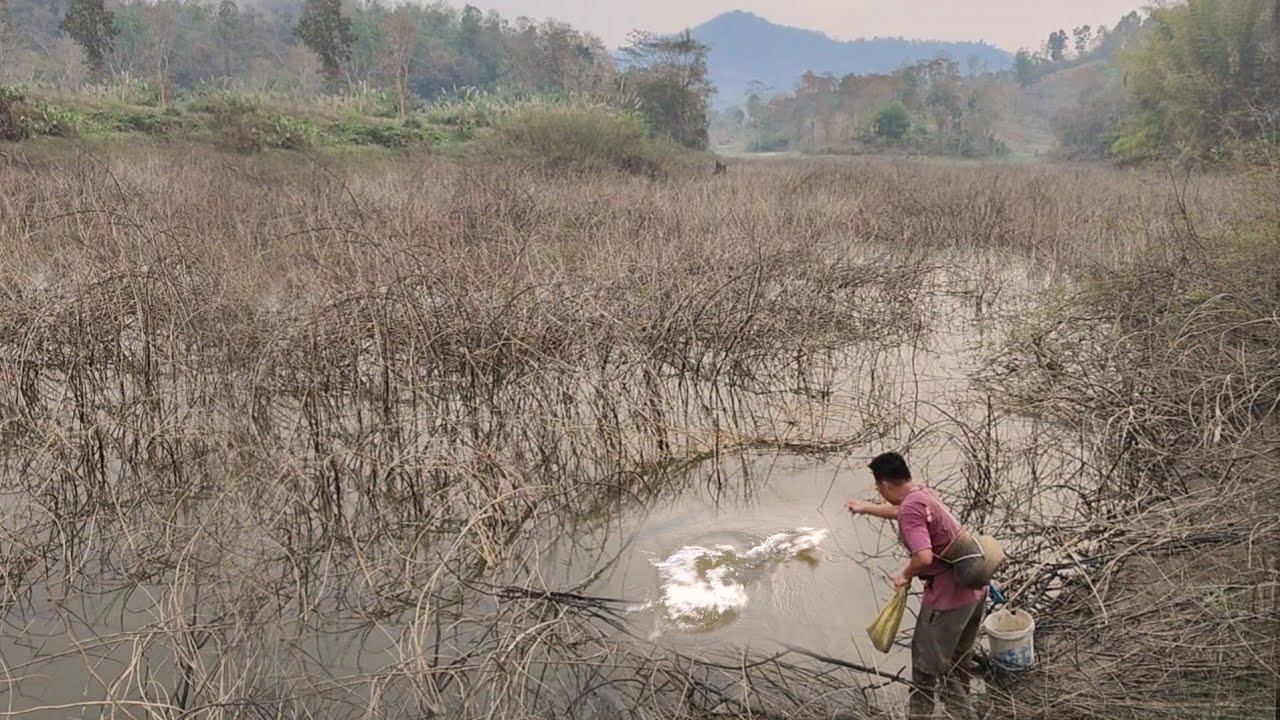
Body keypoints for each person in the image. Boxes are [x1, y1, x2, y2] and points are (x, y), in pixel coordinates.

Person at [847, 452, 985, 720]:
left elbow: (924, 557)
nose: (880, 492)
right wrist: (866, 508)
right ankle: (963, 711)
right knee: (957, 660)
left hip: (948, 599)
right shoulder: (922, 494)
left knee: (927, 667)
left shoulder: (911, 508)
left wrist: (904, 575)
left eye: (878, 488)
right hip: (974, 590)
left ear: (885, 485)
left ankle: (932, 715)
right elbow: (901, 511)